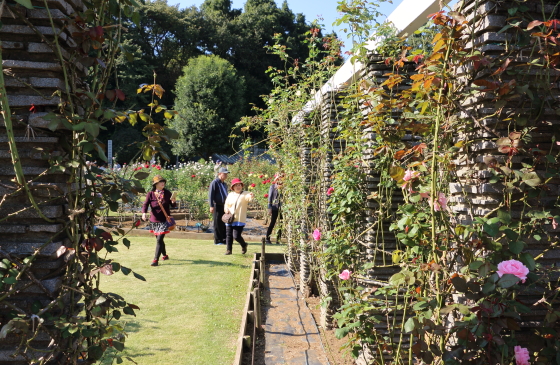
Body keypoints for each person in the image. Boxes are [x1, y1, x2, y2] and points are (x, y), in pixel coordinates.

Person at [142, 175, 176, 266]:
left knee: (159, 239)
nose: (163, 183)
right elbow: (145, 204)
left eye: (163, 182)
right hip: (154, 220)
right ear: (156, 184)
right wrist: (144, 213)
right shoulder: (151, 194)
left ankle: (155, 260)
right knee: (159, 239)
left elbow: (173, 205)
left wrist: (173, 202)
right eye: (161, 182)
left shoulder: (168, 193)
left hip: (164, 220)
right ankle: (164, 255)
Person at [223, 178, 254, 255]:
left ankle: (244, 245)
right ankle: (228, 250)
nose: (238, 187)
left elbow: (249, 198)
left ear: (241, 186)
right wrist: (226, 210)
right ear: (233, 187)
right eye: (236, 185)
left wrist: (251, 196)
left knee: (236, 236)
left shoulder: (245, 193)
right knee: (228, 235)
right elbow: (226, 204)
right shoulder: (230, 195)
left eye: (239, 185)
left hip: (239, 219)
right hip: (229, 218)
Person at [208, 166, 230, 245]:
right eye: (225, 174)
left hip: (224, 206)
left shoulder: (224, 184)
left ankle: (224, 239)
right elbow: (211, 195)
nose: (226, 176)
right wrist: (211, 206)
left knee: (224, 222)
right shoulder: (215, 182)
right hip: (216, 205)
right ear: (220, 174)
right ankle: (217, 240)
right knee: (217, 223)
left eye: (227, 174)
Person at [265, 173, 283, 244]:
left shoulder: (284, 187)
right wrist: (269, 208)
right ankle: (267, 238)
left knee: (281, 224)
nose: (280, 180)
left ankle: (278, 239)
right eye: (278, 178)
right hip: (274, 207)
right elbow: (270, 198)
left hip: (282, 208)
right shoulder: (272, 187)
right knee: (272, 223)